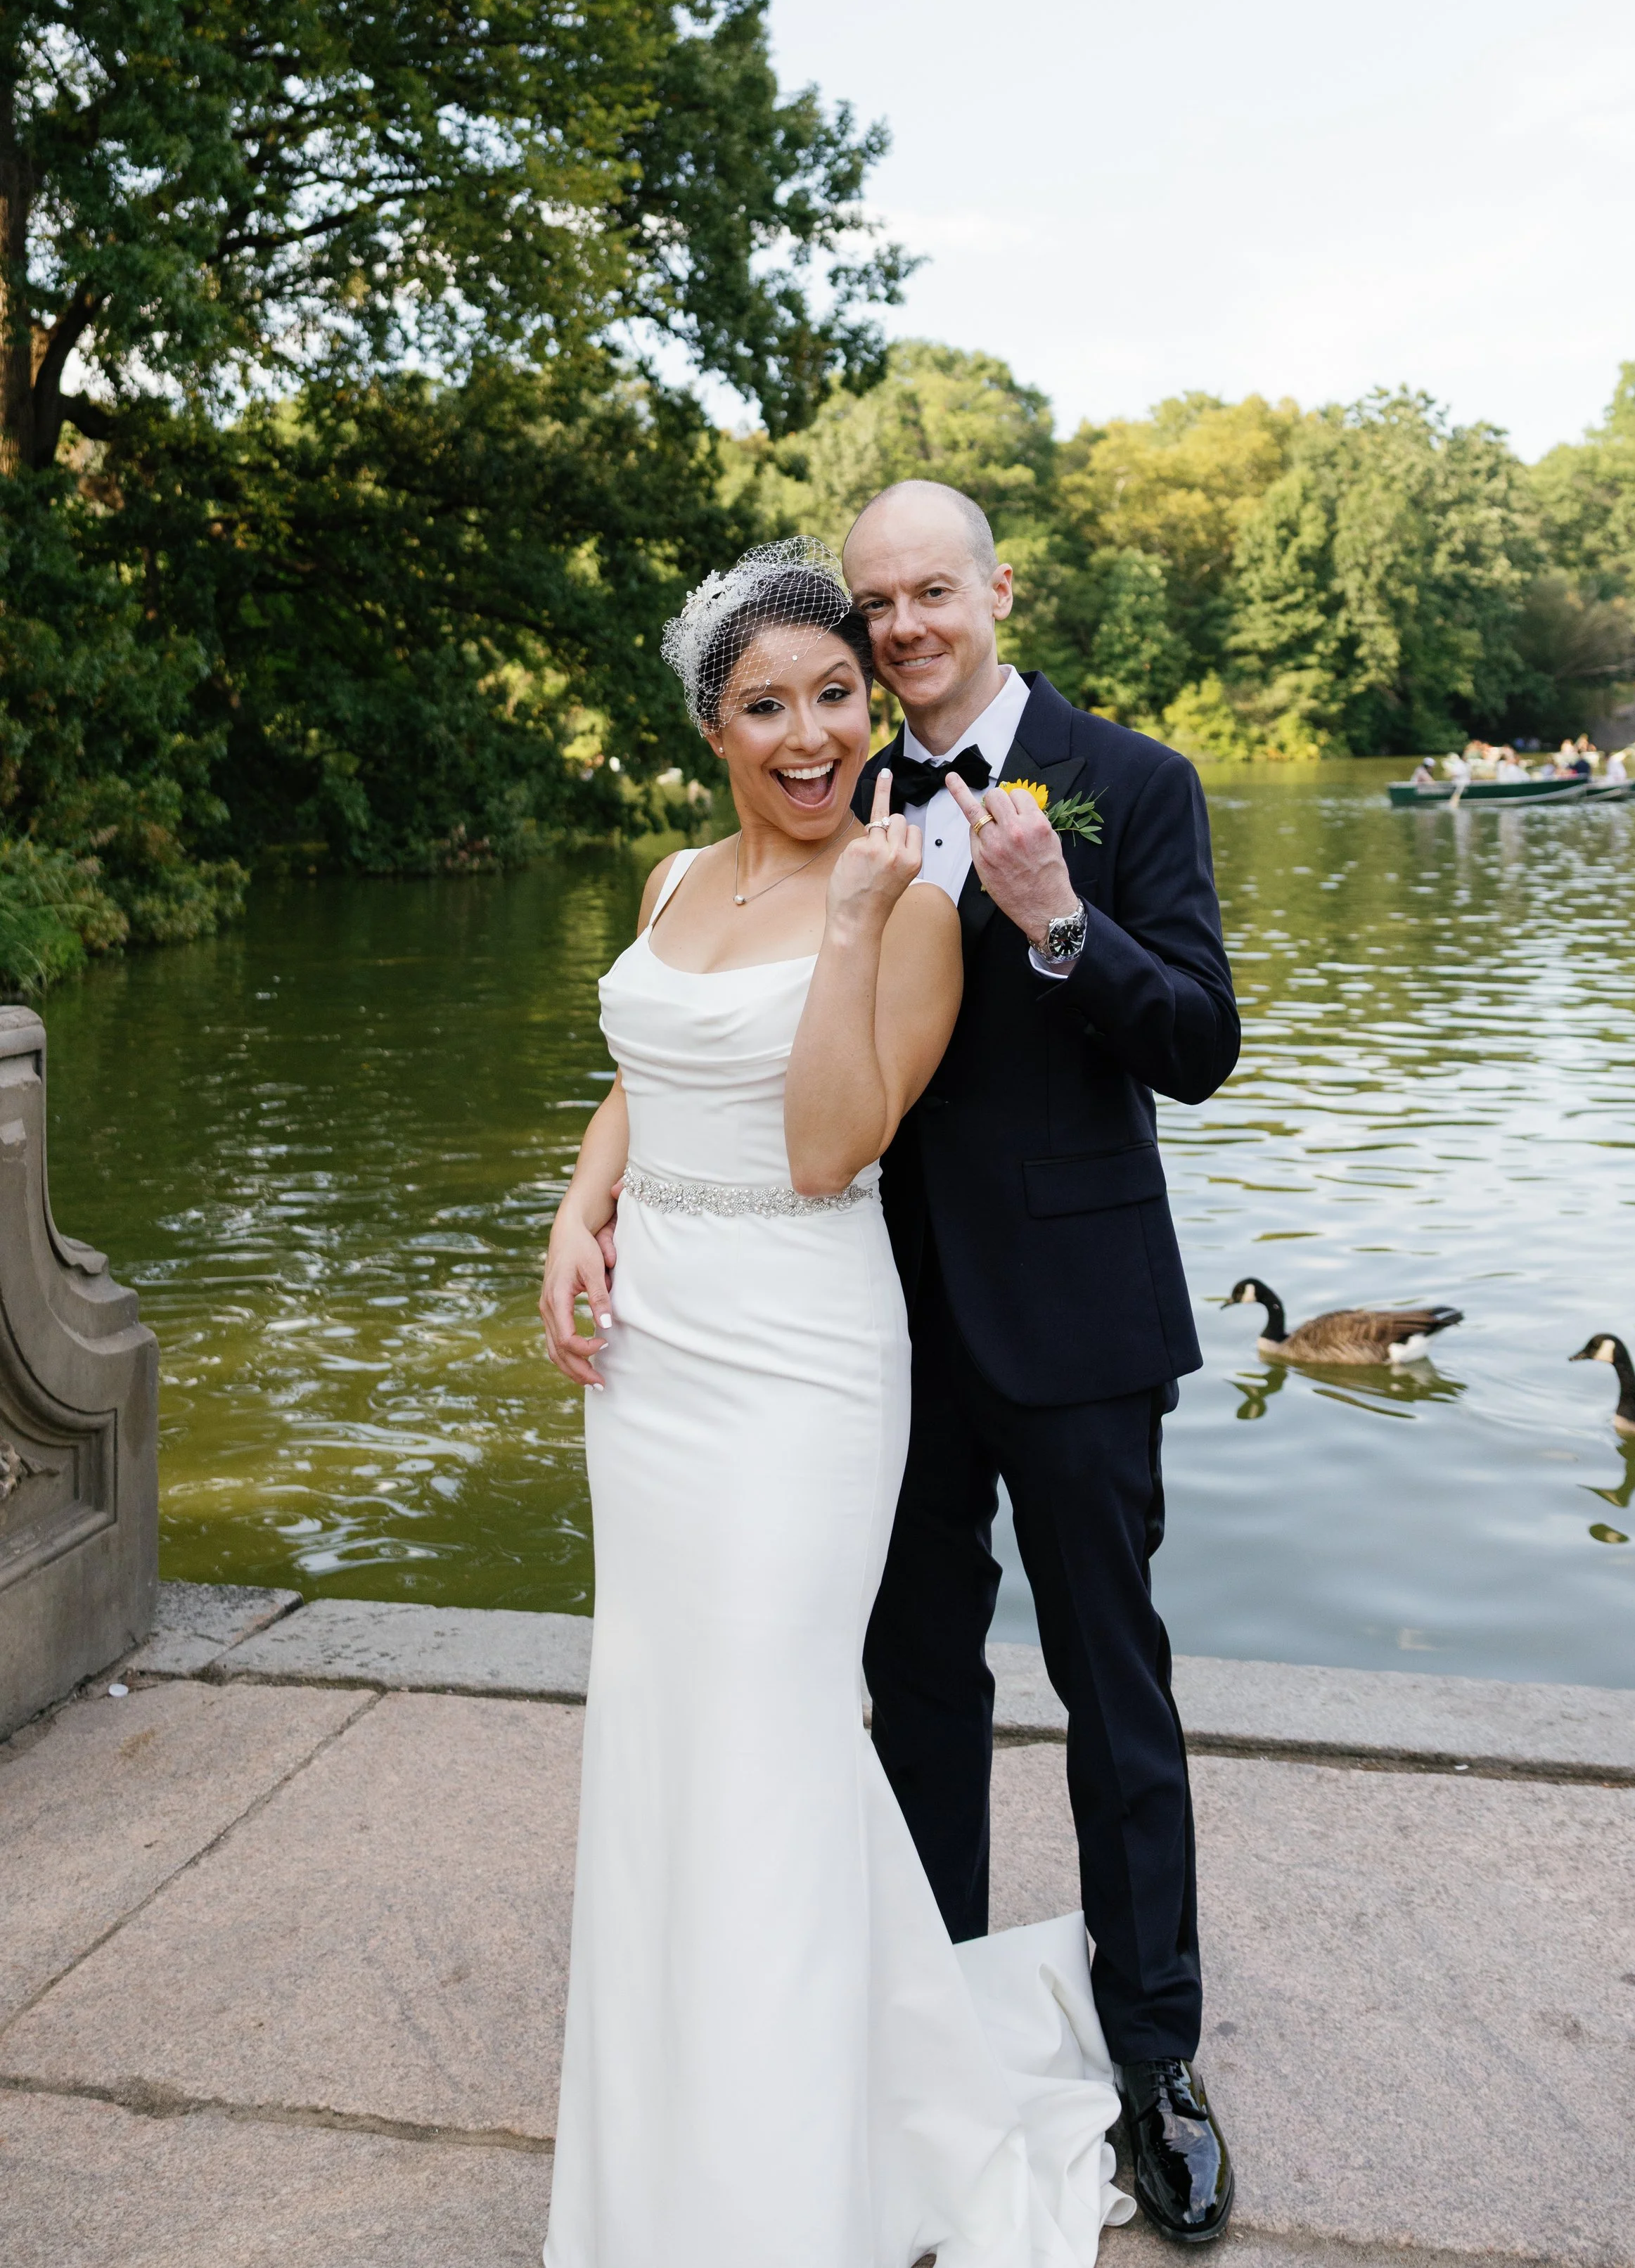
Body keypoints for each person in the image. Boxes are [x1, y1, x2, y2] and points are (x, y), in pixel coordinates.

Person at [538, 539, 1134, 2268]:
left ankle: (792, 2179)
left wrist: (861, 917)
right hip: (652, 1357)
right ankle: (674, 2131)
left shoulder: (916, 907)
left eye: (833, 698)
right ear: (711, 728)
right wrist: (581, 1212)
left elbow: (820, 1148)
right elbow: (639, 1079)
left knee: (776, 1722)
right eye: (766, 706)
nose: (809, 736)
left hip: (799, 1359)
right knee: (666, 1727)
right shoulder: (668, 883)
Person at [842, 481, 1241, 2248]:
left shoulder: (1130, 781)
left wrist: (1058, 921)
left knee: (1112, 1685)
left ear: (997, 590)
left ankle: (1157, 2061)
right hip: (874, 1325)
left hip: (1076, 1325)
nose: (904, 628)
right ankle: (929, 2041)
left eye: (932, 591)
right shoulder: (836, 786)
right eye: (875, 605)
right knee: (915, 1686)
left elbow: (1202, 1044)